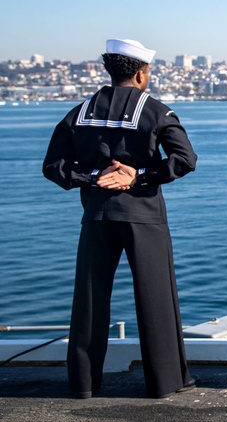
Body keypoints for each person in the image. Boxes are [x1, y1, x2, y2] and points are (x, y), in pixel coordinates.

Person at [43, 39, 198, 399]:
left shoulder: (79, 112)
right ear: (142, 74)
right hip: (143, 216)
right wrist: (139, 175)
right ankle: (166, 382)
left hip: (97, 214)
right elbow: (185, 159)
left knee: (90, 298)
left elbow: (53, 166)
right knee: (156, 296)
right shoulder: (156, 111)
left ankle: (83, 385)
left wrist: (92, 178)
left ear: (110, 72)